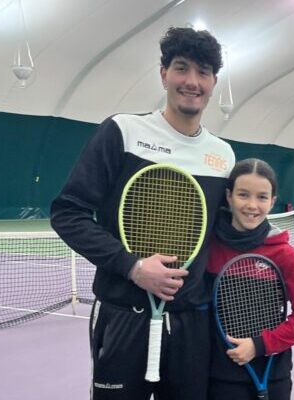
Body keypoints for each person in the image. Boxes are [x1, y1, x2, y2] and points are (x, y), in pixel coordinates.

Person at [50, 27, 235, 400]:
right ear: (164, 73)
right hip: (122, 316)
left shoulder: (223, 156)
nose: (192, 82)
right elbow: (67, 213)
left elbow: (222, 236)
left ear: (214, 81)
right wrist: (133, 268)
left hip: (190, 326)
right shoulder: (122, 132)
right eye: (181, 69)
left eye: (203, 72)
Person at [206, 158, 294, 400]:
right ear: (229, 196)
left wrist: (259, 345)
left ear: (273, 202)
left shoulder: (285, 255)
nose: (252, 205)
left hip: (272, 376)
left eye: (262, 197)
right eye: (243, 195)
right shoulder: (209, 248)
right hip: (218, 377)